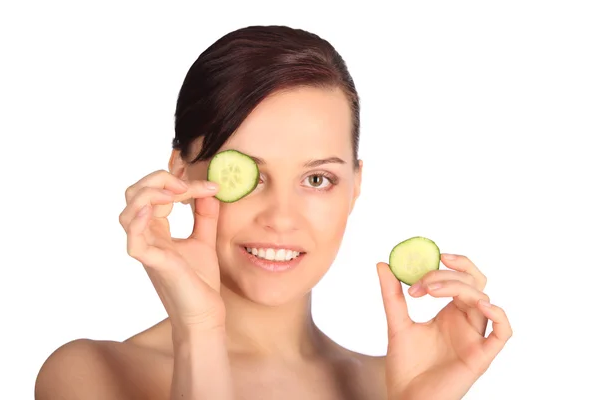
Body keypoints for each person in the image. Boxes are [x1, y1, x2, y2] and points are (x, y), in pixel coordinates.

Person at [34, 25, 512, 399]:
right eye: (248, 176)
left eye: (317, 179)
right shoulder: (89, 375)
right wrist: (199, 330)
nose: (281, 218)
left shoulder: (394, 386)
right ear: (180, 173)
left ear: (355, 188)